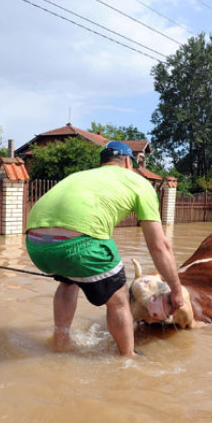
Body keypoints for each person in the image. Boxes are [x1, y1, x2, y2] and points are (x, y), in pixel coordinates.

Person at [25, 140, 184, 356]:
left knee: (68, 283)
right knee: (118, 299)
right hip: (79, 246)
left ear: (103, 162)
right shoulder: (138, 182)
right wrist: (175, 289)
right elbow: (159, 245)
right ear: (128, 162)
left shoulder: (78, 176)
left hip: (35, 245)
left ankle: (60, 341)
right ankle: (128, 359)